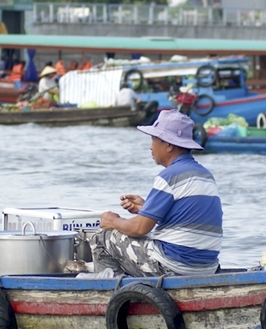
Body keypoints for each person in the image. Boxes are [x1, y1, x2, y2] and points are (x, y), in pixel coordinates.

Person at [80, 111, 222, 277]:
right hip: (207, 268)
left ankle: (114, 294)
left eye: (154, 139)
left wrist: (114, 221)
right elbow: (185, 217)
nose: (150, 146)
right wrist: (145, 208)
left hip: (173, 265)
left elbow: (139, 228)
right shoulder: (205, 175)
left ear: (169, 145)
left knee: (102, 238)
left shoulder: (169, 176)